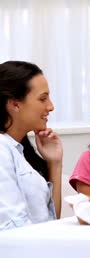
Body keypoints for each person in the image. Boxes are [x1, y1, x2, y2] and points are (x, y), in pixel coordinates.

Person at [0, 61, 63, 230]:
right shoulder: (2, 149)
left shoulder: (18, 150)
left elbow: (51, 221)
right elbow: (13, 227)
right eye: (43, 99)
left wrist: (54, 163)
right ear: (14, 104)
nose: (50, 106)